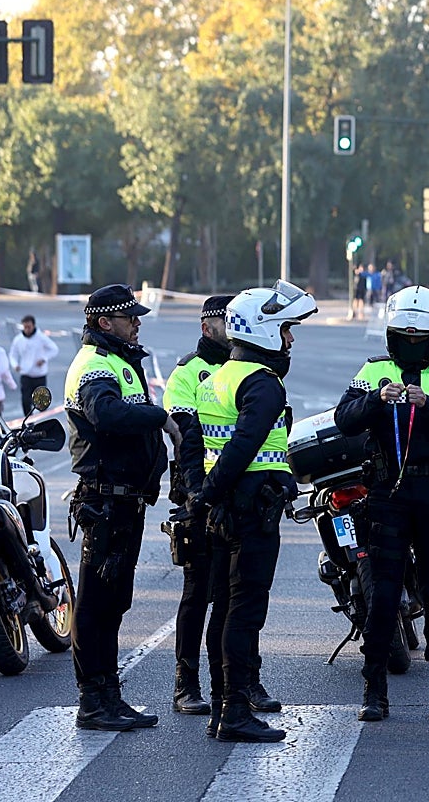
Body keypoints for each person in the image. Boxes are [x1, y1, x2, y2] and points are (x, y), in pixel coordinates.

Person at [182, 280, 317, 742]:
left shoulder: (214, 377)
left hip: (223, 508)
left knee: (223, 608)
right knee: (245, 611)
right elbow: (244, 446)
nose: (290, 340)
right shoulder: (262, 384)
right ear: (262, 331)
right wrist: (211, 493)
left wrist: (203, 495)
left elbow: (195, 444)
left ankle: (224, 709)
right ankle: (235, 712)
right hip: (250, 506)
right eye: (285, 330)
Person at [335, 286, 429, 722]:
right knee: (382, 593)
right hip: (388, 495)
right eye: (404, 337)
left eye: (420, 338)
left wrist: (428, 404)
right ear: (390, 336)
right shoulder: (373, 370)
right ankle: (373, 690)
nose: (412, 345)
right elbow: (344, 419)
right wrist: (375, 399)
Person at [162, 295, 283, 718]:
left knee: (237, 599)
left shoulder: (247, 370)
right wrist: (198, 497)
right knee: (200, 595)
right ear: (205, 326)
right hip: (201, 494)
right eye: (221, 321)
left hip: (228, 493)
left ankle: (243, 680)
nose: (228, 327)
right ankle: (186, 682)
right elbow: (185, 440)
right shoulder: (188, 373)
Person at [64, 284, 179, 731]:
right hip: (105, 502)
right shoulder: (93, 365)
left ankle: (110, 696)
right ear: (104, 322)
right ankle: (93, 701)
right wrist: (160, 418)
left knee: (114, 604)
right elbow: (107, 417)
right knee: (95, 604)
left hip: (125, 503)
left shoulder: (118, 362)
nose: (137, 323)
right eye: (130, 317)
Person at [10, 314, 60, 414]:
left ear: (33, 325)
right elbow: (12, 355)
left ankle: (41, 422)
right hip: (26, 375)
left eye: (29, 327)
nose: (27, 329)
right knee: (25, 401)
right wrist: (15, 365)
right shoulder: (18, 340)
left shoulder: (41, 337)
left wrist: (44, 359)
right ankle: (29, 423)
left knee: (41, 403)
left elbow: (54, 349)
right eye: (25, 327)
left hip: (39, 376)